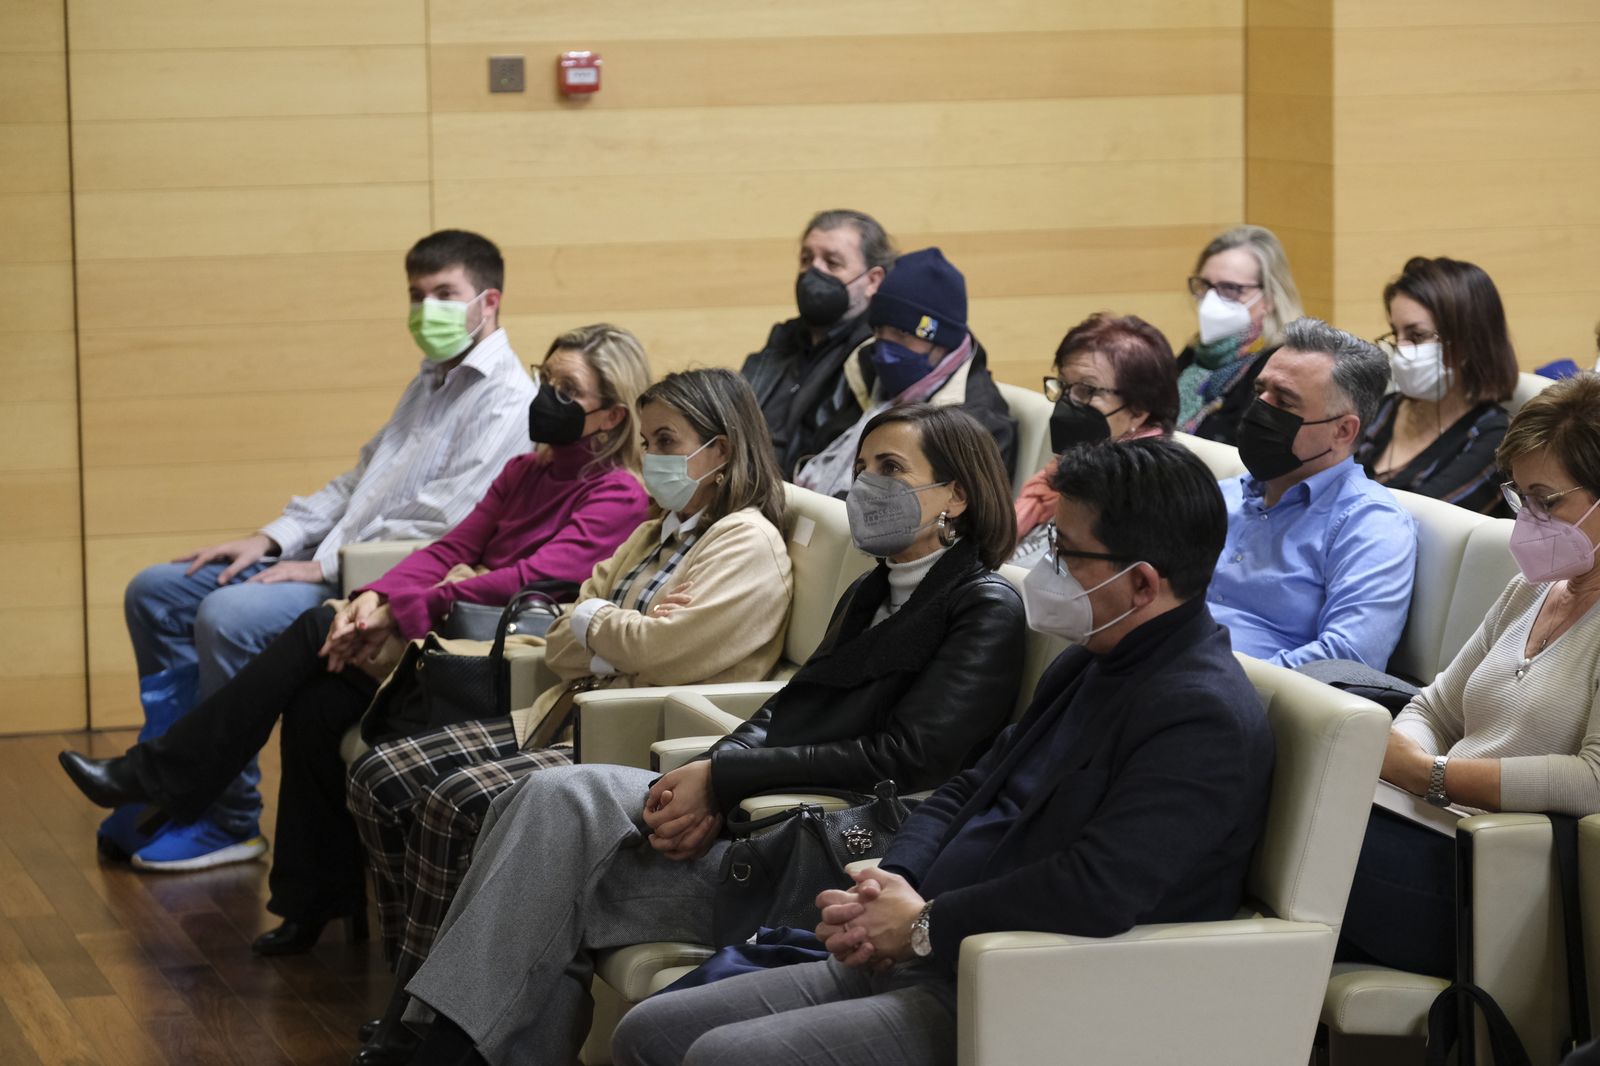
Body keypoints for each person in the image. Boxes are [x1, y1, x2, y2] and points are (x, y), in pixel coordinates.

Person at [396, 405, 1034, 1066]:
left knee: (559, 849)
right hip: (766, 801)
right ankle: (451, 1042)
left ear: (957, 493)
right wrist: (706, 770)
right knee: (541, 799)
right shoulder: (872, 591)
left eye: (891, 469)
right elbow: (789, 707)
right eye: (863, 467)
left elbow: (912, 757)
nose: (867, 486)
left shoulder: (983, 605)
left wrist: (727, 780)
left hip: (831, 841)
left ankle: (445, 1047)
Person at [607, 436, 1275, 1066]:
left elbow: (1096, 888)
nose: (1046, 568)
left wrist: (926, 923)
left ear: (1141, 584)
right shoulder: (1091, 662)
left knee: (724, 1058)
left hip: (1025, 984)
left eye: (1066, 552)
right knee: (650, 1031)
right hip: (931, 944)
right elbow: (970, 788)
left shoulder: (1201, 715)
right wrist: (891, 883)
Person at [56, 323, 654, 951]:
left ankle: (160, 778)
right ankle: (307, 905)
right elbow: (451, 548)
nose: (547, 397)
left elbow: (527, 580)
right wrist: (374, 597)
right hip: (446, 638)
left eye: (568, 390)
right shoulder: (522, 473)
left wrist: (401, 607)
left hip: (504, 663)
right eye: (545, 378)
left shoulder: (617, 494)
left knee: (318, 627)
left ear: (611, 415)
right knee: (316, 704)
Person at [343, 367, 796, 1062]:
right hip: (572, 706)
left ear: (723, 449)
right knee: (384, 772)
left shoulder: (745, 540)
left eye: (668, 440)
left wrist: (602, 629)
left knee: (453, 801)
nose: (652, 458)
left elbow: (664, 649)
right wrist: (605, 629)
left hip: (637, 735)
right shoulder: (656, 531)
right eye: (647, 440)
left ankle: (434, 1025)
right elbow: (562, 633)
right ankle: (419, 995)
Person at [112, 229, 536, 870]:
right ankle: (166, 790)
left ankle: (227, 821)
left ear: (489, 302)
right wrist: (273, 536)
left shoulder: (508, 401)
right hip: (327, 553)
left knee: (226, 618)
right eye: (417, 296)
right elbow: (357, 482)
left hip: (377, 579)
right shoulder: (430, 383)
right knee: (155, 592)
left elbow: (442, 524)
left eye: (445, 294)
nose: (427, 311)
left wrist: (325, 563)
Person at [1338, 373, 1600, 978]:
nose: (1528, 520)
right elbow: (1435, 710)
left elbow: (1592, 783)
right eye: (1520, 499)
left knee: (1298, 832)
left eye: (1547, 499)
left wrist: (1425, 774)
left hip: (1511, 886)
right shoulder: (1530, 590)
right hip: (1436, 833)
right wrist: (1405, 777)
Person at [1206, 317, 1417, 669]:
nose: (1260, 410)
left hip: (1245, 701)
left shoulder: (1368, 523)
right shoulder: (1220, 496)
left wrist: (1231, 680)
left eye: (1284, 402)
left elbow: (1348, 659)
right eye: (1260, 392)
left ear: (1343, 431)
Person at [793, 248, 1016, 496]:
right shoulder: (866, 370)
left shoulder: (978, 424)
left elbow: (972, 521)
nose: (885, 348)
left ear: (942, 342)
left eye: (902, 335)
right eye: (879, 331)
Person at [1012, 312, 1179, 567]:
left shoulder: (1142, 497)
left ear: (1138, 408)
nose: (1069, 402)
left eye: (1086, 390)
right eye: (1064, 386)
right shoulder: (1061, 476)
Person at [1356, 256, 1520, 515]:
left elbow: (1421, 524)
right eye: (1395, 333)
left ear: (1467, 339)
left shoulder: (1497, 440)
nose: (1401, 349)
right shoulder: (1386, 408)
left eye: (1416, 335)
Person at [742, 209, 894, 477]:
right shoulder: (781, 340)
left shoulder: (875, 358)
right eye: (806, 259)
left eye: (832, 263)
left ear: (872, 280)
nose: (814, 271)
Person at [1175, 225, 1304, 443]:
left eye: (1231, 288)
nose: (1211, 299)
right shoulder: (1195, 353)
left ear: (1270, 297)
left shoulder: (1280, 368)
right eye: (1205, 285)